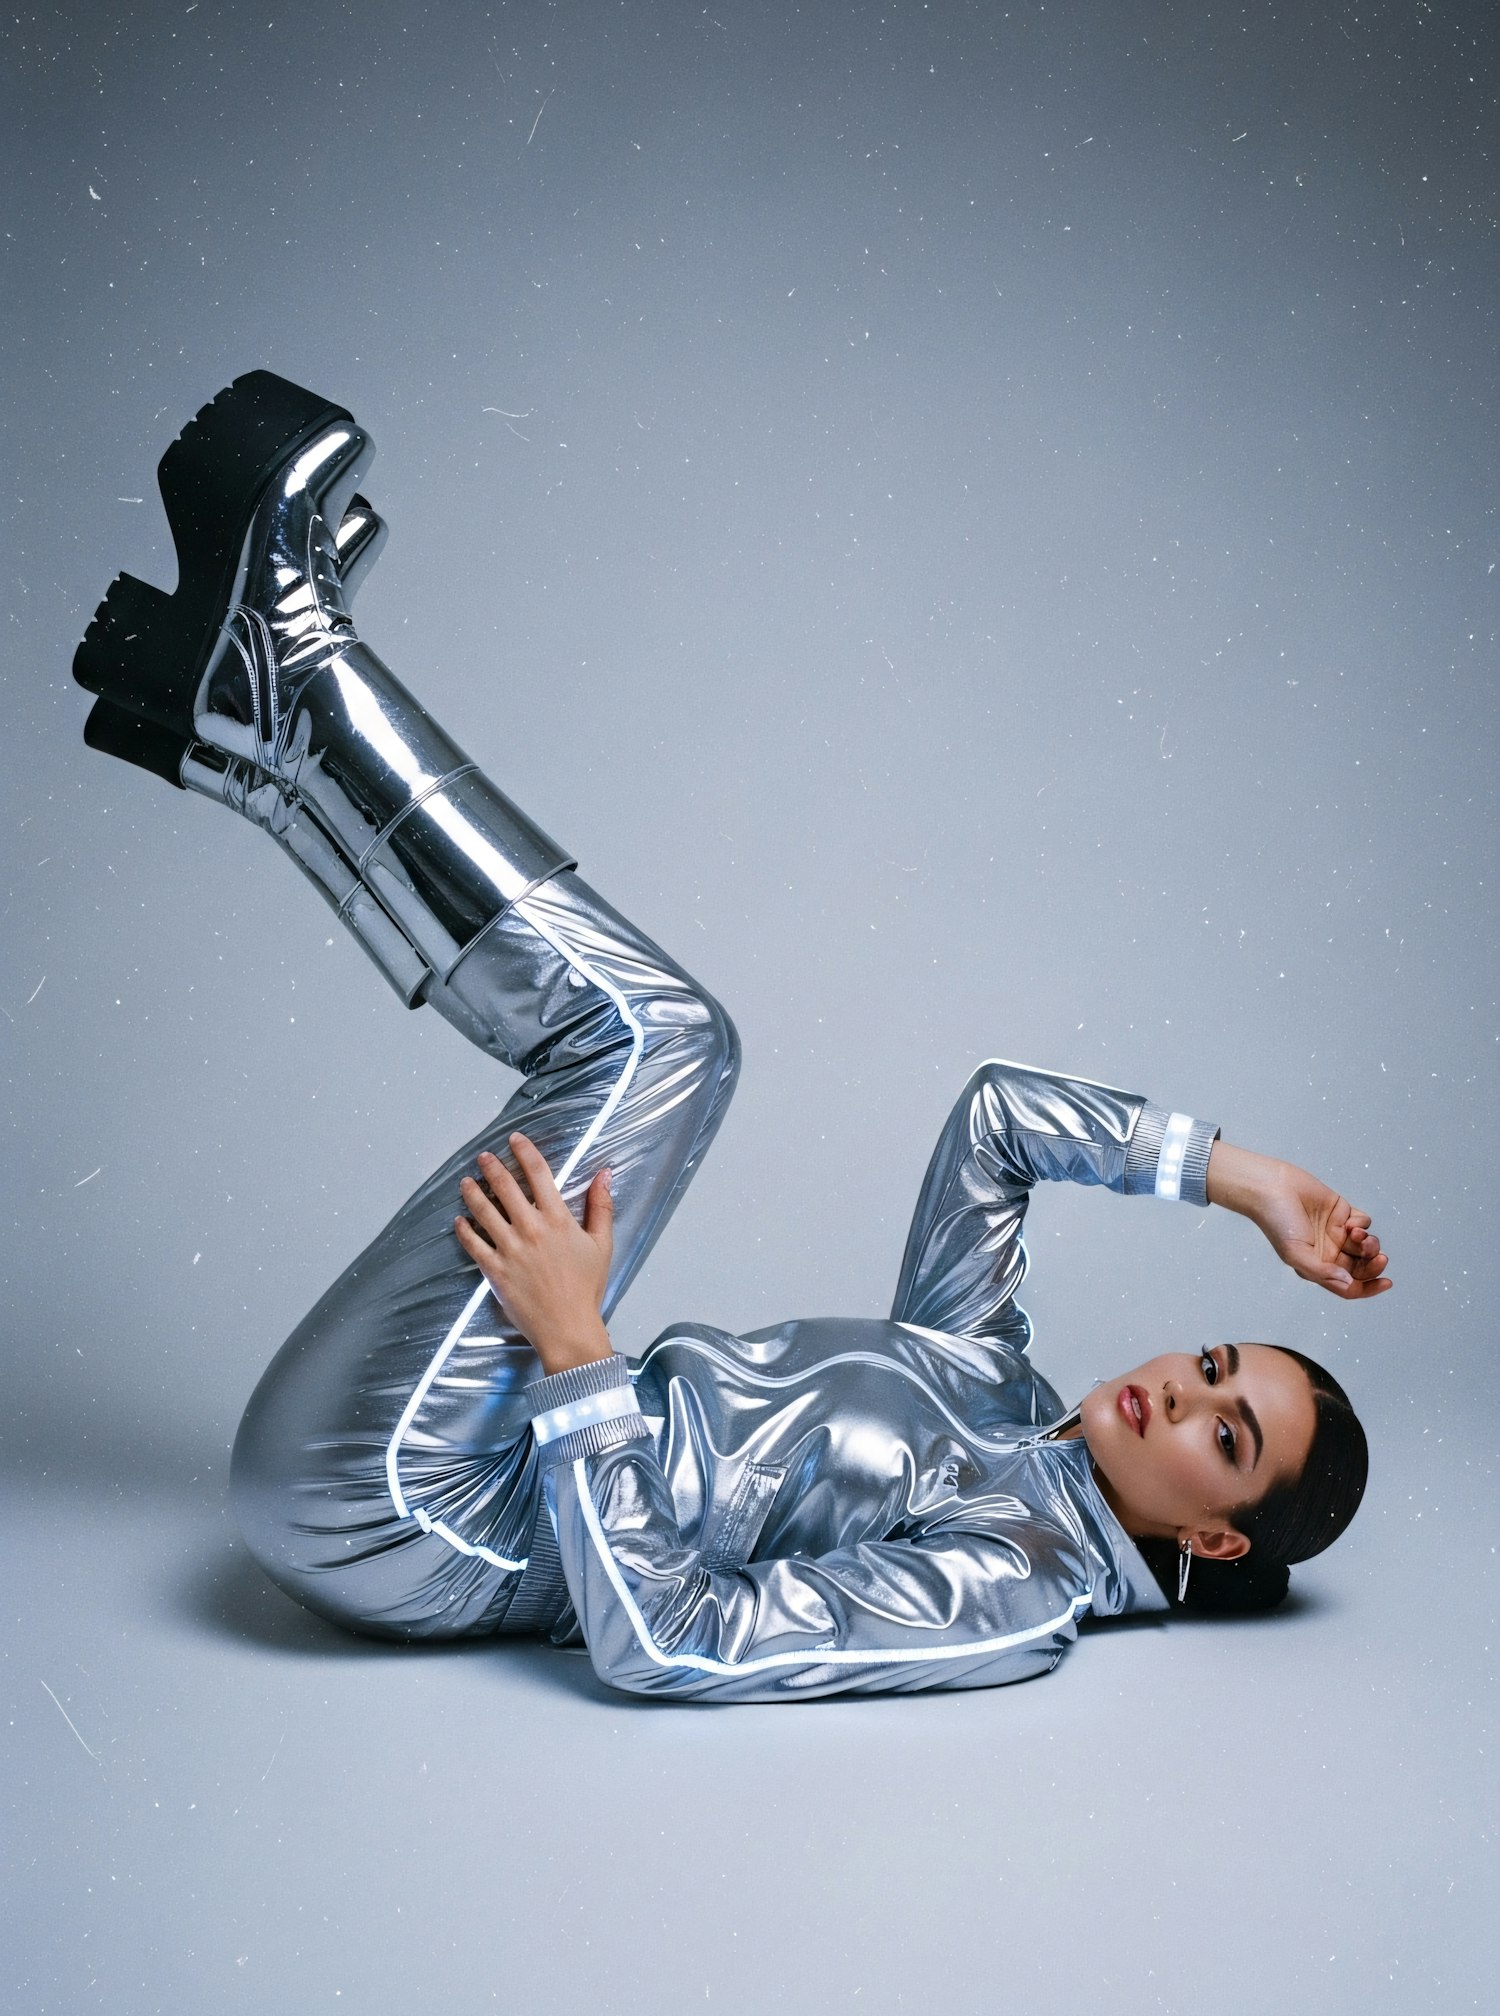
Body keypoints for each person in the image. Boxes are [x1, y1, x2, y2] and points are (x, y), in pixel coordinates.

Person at [74, 370, 1389, 1703]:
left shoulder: (1024, 1581)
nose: (1181, 1395)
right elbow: (1001, 1121)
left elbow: (674, 1639)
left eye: (1227, 1438)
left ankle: (287, 684)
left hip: (415, 1517)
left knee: (662, 1042)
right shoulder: (992, 1380)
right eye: (1212, 1366)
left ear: (1215, 1539)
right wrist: (1247, 1182)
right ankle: (260, 732)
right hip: (467, 1440)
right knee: (667, 1041)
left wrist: (578, 1354)